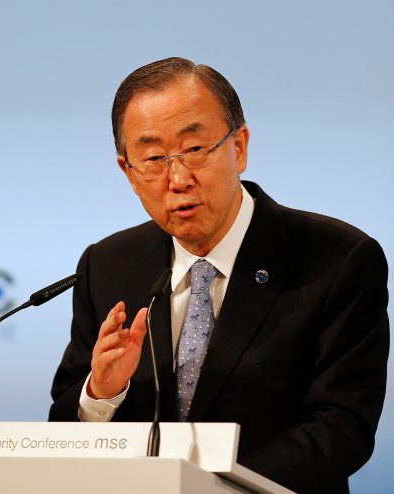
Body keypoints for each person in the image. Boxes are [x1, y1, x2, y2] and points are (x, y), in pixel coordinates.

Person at [48, 57, 389, 494]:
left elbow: (340, 429)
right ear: (128, 172)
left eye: (194, 149)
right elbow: (62, 427)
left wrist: (209, 487)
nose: (178, 178)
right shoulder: (108, 264)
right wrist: (101, 393)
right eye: (153, 158)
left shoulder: (337, 258)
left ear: (239, 147)